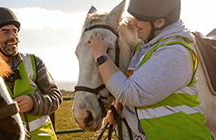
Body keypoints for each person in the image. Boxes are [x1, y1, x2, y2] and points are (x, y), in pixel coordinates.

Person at [86, 0, 213, 139]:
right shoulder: (145, 48)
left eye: (139, 19)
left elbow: (130, 92)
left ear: (159, 22)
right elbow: (133, 78)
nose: (133, 23)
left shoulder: (175, 52)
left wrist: (100, 55)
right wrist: (119, 107)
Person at [0, 7, 62, 140]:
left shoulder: (34, 62)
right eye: (5, 32)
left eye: (15, 32)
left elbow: (56, 97)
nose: (13, 37)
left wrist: (34, 102)